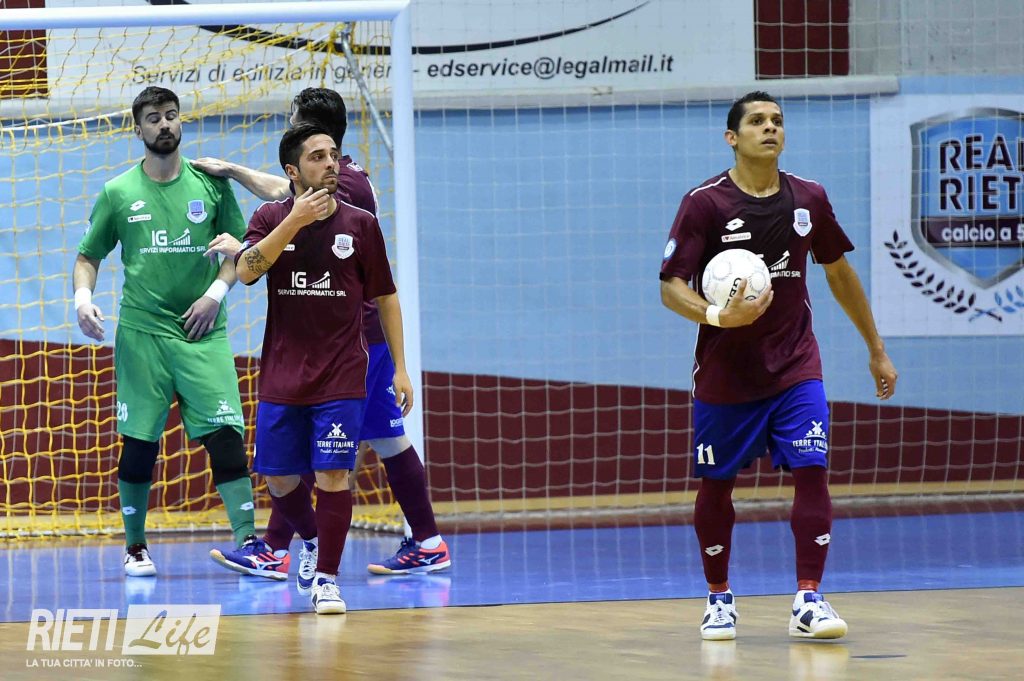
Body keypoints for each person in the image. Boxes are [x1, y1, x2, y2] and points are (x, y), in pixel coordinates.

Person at [659, 91, 898, 641]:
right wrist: (718, 315)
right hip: (726, 372)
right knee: (716, 485)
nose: (770, 128)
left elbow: (839, 273)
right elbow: (671, 287)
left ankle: (809, 600)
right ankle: (719, 599)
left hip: (795, 364)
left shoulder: (809, 197)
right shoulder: (704, 204)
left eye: (777, 121)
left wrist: (876, 347)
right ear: (732, 137)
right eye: (757, 121)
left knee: (813, 470)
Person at [197, 88, 449, 591]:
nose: (323, 161)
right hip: (333, 341)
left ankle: (283, 549)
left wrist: (235, 177)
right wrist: (245, 239)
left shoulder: (345, 185)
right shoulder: (329, 184)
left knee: (335, 453)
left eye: (294, 123)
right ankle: (424, 540)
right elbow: (279, 209)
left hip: (353, 341)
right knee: (379, 439)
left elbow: (285, 196)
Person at [72, 86, 260, 578]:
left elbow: (239, 252)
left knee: (226, 436)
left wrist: (215, 294)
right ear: (138, 129)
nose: (164, 125)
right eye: (153, 118)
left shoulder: (212, 186)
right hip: (142, 336)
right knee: (139, 443)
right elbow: (88, 256)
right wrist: (83, 300)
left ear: (181, 122)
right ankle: (135, 547)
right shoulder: (118, 192)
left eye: (171, 115)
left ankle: (249, 542)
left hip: (203, 332)